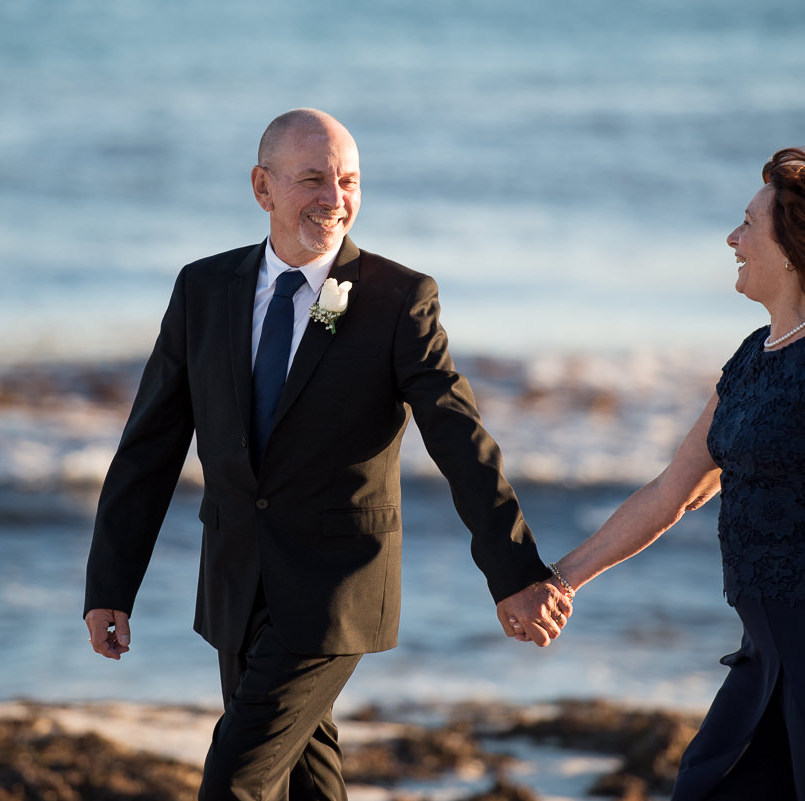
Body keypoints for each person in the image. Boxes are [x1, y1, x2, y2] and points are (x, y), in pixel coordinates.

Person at [83, 108, 573, 801]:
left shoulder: (400, 299)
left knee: (235, 781)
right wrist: (111, 582)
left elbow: (458, 437)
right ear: (263, 187)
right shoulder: (203, 289)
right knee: (309, 781)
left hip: (337, 588)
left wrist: (515, 569)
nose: (335, 199)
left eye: (349, 180)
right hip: (237, 579)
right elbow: (150, 447)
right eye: (313, 179)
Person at [532, 148, 805, 799]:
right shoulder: (754, 357)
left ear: (792, 248)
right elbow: (672, 491)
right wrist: (561, 578)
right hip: (769, 655)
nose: (732, 238)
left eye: (747, 224)